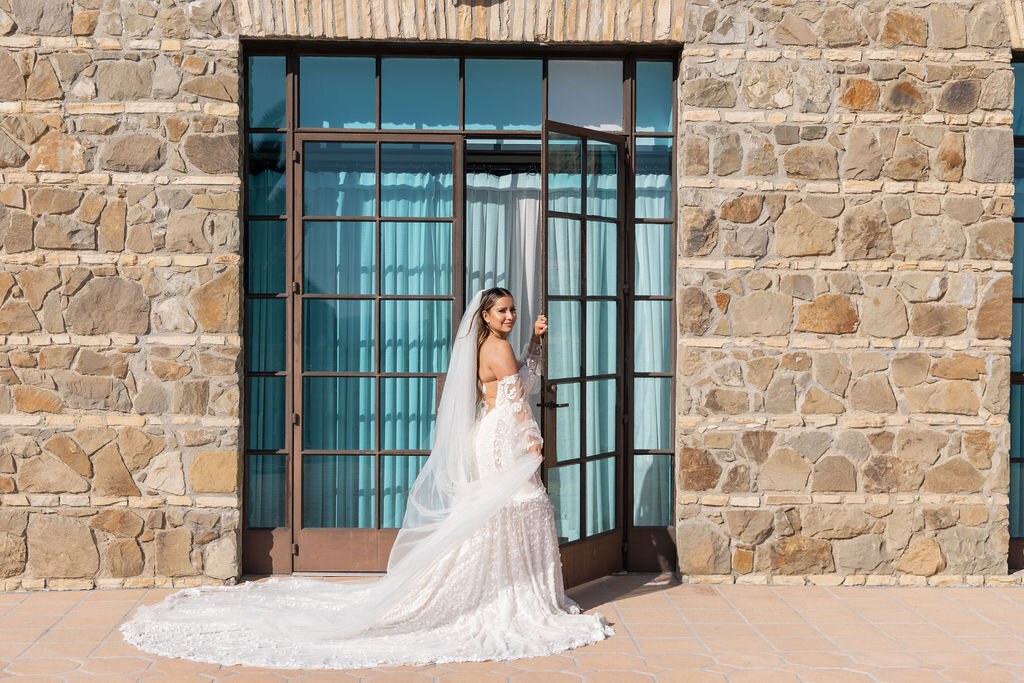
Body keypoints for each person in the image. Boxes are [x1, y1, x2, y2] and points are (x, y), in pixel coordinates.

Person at [121, 288, 613, 670]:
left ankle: (500, 588)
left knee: (500, 513)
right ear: (485, 316)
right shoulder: (498, 348)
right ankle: (508, 595)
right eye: (503, 311)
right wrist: (533, 440)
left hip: (489, 435)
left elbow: (516, 381)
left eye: (512, 311)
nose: (509, 317)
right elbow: (517, 399)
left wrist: (534, 342)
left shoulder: (488, 345)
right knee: (519, 506)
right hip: (505, 435)